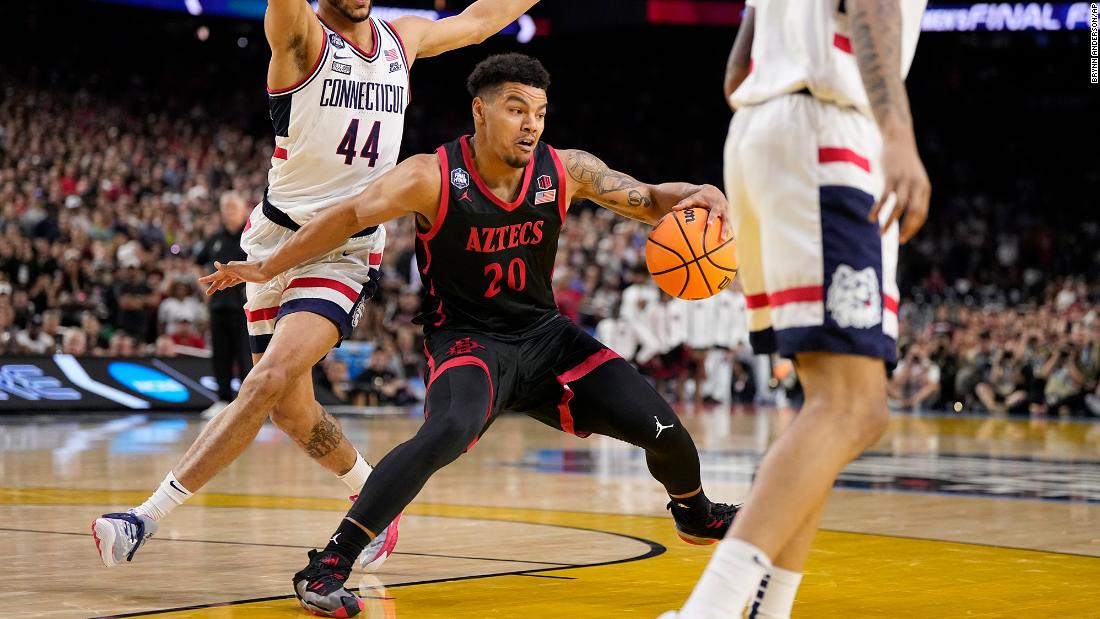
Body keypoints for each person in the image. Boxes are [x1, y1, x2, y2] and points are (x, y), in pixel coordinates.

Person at [202, 54, 742, 618]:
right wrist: (268, 266)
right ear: (480, 111)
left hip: (545, 338)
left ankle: (695, 513)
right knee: (448, 430)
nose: (531, 123)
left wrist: (697, 193)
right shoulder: (431, 175)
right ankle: (330, 564)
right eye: (516, 109)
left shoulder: (567, 170)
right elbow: (347, 216)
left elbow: (651, 197)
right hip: (466, 341)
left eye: (539, 111)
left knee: (667, 432)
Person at [91, 0, 542, 573]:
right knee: (293, 412)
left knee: (268, 378)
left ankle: (144, 518)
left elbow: (479, 20)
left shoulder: (401, 39)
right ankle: (375, 493)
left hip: (346, 250)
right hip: (272, 240)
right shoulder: (301, 37)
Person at [661, 0, 931, 617]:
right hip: (828, 132)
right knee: (854, 407)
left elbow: (737, 70)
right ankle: (711, 609)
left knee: (831, 404)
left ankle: (770, 608)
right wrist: (897, 132)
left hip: (762, 133)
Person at [193, 192, 252, 418]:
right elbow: (196, 264)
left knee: (245, 354)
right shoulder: (214, 239)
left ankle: (247, 402)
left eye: (233, 208)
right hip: (218, 306)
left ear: (242, 210)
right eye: (226, 208)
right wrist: (203, 291)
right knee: (220, 355)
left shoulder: (249, 236)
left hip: (243, 306)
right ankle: (223, 400)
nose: (229, 212)